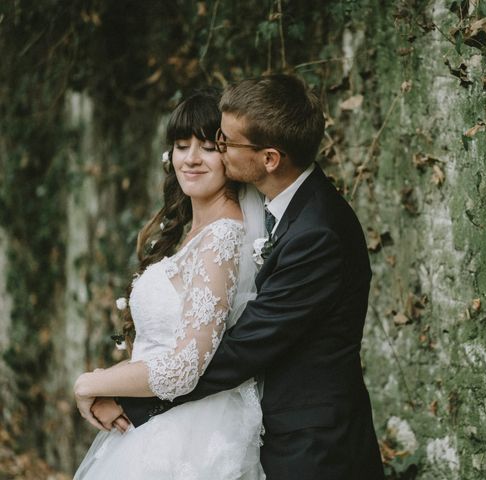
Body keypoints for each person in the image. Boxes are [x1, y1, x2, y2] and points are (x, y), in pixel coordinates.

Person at [104, 74, 385, 480]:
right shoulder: (284, 208)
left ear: (270, 158)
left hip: (315, 450)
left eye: (225, 143)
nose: (217, 149)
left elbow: (243, 349)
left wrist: (129, 398)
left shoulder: (317, 233)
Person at [72, 88, 266, 479]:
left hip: (192, 434)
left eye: (208, 147)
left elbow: (183, 367)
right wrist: (115, 390)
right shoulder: (194, 233)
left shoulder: (222, 239)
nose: (191, 158)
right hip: (159, 421)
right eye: (181, 145)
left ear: (228, 155)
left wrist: (90, 382)